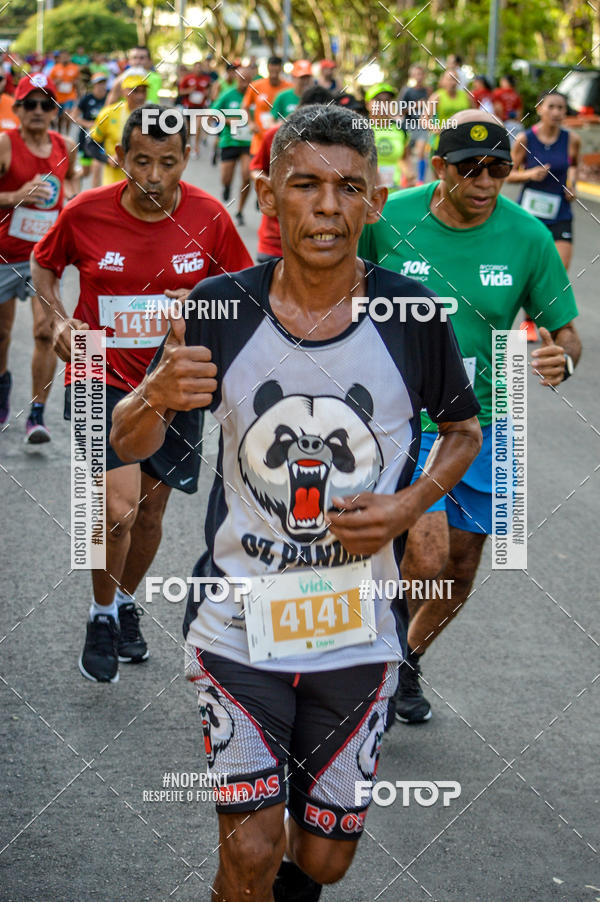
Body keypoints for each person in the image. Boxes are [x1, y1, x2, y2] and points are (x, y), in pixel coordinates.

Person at [110, 102, 482, 902]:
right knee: (249, 849)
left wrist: (409, 503)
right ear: (269, 191)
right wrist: (151, 394)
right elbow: (128, 442)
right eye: (306, 184)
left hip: (358, 629)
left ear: (375, 199)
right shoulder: (217, 306)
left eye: (349, 187)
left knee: (323, 860)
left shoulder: (410, 312)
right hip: (236, 625)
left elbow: (462, 430)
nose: (328, 205)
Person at [359, 111, 581, 725]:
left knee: (458, 569)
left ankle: (405, 658)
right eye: (469, 169)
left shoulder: (528, 237)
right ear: (439, 168)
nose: (484, 182)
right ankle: (371, 663)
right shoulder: (392, 219)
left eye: (498, 170)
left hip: (487, 419)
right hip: (398, 416)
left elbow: (565, 330)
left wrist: (561, 354)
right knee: (424, 556)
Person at [31, 105, 252, 684]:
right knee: (116, 508)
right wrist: (56, 322)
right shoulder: (84, 212)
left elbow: (246, 293)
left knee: (151, 513)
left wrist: (202, 304)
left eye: (168, 163)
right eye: (141, 162)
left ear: (186, 160)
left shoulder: (209, 218)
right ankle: (101, 614)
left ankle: (126, 601)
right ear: (121, 159)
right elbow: (44, 263)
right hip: (96, 375)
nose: (153, 176)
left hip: (174, 381)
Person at [0, 74, 78, 440]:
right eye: (29, 104)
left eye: (46, 104)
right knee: (1, 335)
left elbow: (73, 183)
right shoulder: (5, 144)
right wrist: (13, 195)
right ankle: (3, 396)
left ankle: (36, 413)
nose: (37, 111)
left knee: (45, 331)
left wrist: (73, 206)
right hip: (5, 256)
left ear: (54, 111)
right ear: (16, 109)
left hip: (44, 257)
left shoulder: (64, 146)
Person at [509, 91, 579, 341]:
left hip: (560, 213)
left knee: (558, 269)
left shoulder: (572, 139)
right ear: (539, 109)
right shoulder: (525, 139)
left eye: (562, 107)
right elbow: (506, 173)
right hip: (529, 215)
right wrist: (528, 175)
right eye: (552, 107)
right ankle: (529, 320)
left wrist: (573, 184)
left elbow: (573, 165)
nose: (558, 112)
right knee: (530, 271)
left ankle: (549, 321)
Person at [249, 85, 333, 262]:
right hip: (275, 242)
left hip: (318, 240)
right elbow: (257, 168)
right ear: (299, 110)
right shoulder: (275, 135)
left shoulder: (337, 146)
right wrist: (271, 186)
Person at [89, 73, 147, 184]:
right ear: (124, 92)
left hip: (142, 181)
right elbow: (91, 144)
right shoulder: (110, 113)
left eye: (143, 91)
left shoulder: (152, 116)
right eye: (135, 91)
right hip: (114, 182)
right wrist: (107, 159)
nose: (140, 96)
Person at [214, 65, 253, 225]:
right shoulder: (228, 94)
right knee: (226, 177)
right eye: (242, 79)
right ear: (236, 78)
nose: (245, 83)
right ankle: (227, 187)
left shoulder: (255, 96)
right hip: (229, 141)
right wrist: (231, 122)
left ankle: (239, 211)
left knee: (246, 176)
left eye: (248, 80)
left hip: (248, 142)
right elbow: (213, 114)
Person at [365, 83, 416, 191]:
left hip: (394, 191)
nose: (383, 105)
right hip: (367, 192)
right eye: (378, 101)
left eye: (388, 101)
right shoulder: (360, 129)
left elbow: (404, 158)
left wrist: (410, 177)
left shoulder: (400, 130)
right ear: (367, 104)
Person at [242, 56, 292, 157]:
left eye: (276, 70)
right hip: (260, 140)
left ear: (281, 69)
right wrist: (251, 123)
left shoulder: (289, 88)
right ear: (268, 68)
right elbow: (244, 106)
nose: (274, 74)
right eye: (272, 69)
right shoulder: (256, 86)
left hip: (281, 141)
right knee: (256, 171)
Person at [72, 72, 108, 187]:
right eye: (98, 83)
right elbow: (73, 116)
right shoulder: (87, 99)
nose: (101, 86)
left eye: (103, 83)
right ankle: (75, 185)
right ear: (93, 85)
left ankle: (94, 199)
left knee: (97, 168)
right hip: (86, 139)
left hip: (101, 140)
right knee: (86, 172)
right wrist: (88, 124)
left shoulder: (109, 99)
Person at [400, 63, 431, 183]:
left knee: (421, 152)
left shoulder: (428, 91)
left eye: (421, 74)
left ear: (424, 76)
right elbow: (400, 110)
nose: (419, 76)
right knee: (405, 154)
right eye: (416, 74)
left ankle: (420, 181)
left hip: (421, 126)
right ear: (412, 75)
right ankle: (405, 177)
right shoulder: (407, 91)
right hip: (408, 125)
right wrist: (415, 106)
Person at [428, 69, 471, 154]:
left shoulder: (466, 96)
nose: (453, 83)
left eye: (455, 79)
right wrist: (434, 128)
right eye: (450, 79)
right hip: (442, 142)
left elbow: (476, 115)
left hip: (463, 142)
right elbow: (424, 119)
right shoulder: (437, 96)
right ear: (443, 81)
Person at [178, 60, 213, 159]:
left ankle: (196, 148)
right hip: (189, 106)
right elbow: (180, 92)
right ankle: (188, 145)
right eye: (196, 68)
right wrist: (189, 91)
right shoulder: (187, 78)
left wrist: (207, 94)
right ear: (193, 68)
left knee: (197, 127)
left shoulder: (206, 79)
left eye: (200, 68)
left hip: (200, 107)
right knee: (188, 129)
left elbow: (210, 91)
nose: (198, 70)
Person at [49, 51, 80, 134]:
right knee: (59, 117)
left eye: (66, 57)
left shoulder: (74, 68)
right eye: (62, 57)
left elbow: (78, 80)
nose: (64, 59)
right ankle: (59, 134)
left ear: (69, 57)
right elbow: (50, 82)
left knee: (66, 115)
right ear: (60, 58)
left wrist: (76, 83)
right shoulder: (55, 68)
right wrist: (56, 82)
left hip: (70, 96)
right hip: (58, 97)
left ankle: (67, 134)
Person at [492, 74, 522, 143]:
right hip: (513, 124)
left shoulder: (498, 92)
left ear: (505, 81)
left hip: (502, 123)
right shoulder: (516, 94)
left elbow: (498, 108)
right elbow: (519, 113)